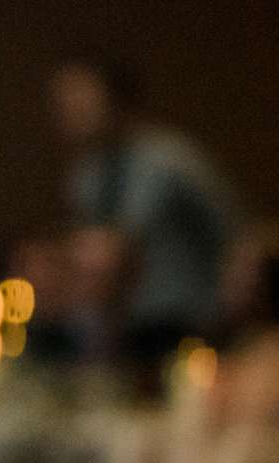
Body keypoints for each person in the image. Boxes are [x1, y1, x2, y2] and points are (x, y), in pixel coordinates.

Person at [49, 55, 242, 365]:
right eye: (63, 99)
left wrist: (230, 315)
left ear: (115, 98)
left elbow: (238, 233)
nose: (70, 108)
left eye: (80, 95)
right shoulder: (86, 175)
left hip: (188, 325)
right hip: (124, 331)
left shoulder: (170, 160)